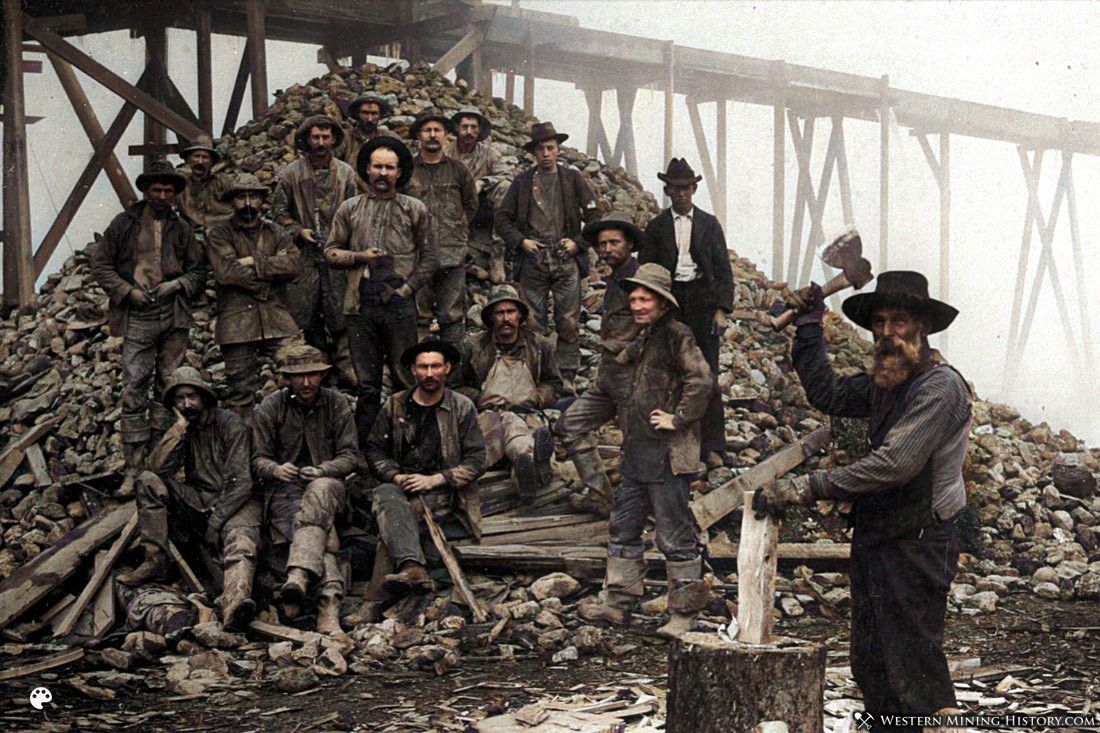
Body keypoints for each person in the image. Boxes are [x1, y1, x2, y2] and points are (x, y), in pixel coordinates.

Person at [755, 271, 971, 730]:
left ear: (922, 328)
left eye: (899, 321)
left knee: (914, 659)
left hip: (919, 538)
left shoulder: (940, 387)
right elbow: (828, 393)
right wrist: (810, 326)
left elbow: (895, 464)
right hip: (878, 533)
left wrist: (808, 486)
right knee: (872, 658)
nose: (888, 333)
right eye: (879, 322)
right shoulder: (886, 381)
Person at [556, 264, 713, 638]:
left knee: (674, 537)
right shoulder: (642, 338)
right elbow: (614, 382)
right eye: (634, 298)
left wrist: (678, 418)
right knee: (623, 528)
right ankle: (618, 604)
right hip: (638, 455)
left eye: (645, 298)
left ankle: (684, 614)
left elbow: (702, 379)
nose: (637, 304)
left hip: (669, 457)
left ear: (662, 303)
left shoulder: (677, 335)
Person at [88, 160, 206, 493]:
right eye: (157, 189)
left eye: (169, 190)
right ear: (145, 190)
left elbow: (199, 271)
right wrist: (128, 292)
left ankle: (162, 461)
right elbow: (101, 264)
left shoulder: (182, 228)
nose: (163, 195)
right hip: (138, 316)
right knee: (134, 386)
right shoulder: (124, 224)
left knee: (170, 387)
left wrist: (177, 284)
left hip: (173, 315)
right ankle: (133, 467)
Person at [117, 367, 261, 631]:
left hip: (236, 501)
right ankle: (155, 561)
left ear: (205, 396)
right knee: (147, 482)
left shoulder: (231, 424)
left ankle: (235, 605)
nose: (186, 404)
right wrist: (178, 429)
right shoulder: (186, 427)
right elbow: (156, 470)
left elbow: (241, 483)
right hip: (199, 498)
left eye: (192, 396)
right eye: (180, 399)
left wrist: (215, 523)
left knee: (239, 540)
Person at [324, 136, 439, 442]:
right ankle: (365, 448)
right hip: (360, 306)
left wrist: (408, 289)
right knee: (367, 384)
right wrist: (359, 257)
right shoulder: (350, 209)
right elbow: (331, 252)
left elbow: (430, 257)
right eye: (377, 167)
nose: (383, 174)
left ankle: (407, 442)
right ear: (367, 169)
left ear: (399, 172)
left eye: (390, 167)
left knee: (404, 378)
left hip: (399, 307)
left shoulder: (413, 208)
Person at [251, 345, 360, 638]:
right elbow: (257, 458)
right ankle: (329, 611)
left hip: (330, 488)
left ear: (322, 375)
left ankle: (298, 573)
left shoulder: (337, 404)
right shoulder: (271, 406)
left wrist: (323, 469)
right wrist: (275, 469)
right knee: (324, 540)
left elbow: (351, 456)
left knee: (321, 489)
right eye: (299, 377)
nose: (307, 383)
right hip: (286, 492)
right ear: (288, 378)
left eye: (312, 375)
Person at [363, 340, 485, 592]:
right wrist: (395, 476)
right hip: (402, 488)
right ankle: (413, 568)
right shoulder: (395, 404)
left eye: (436, 366)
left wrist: (434, 480)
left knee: (398, 521)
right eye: (423, 367)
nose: (429, 374)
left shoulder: (461, 407)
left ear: (447, 368)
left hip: (446, 493)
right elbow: (374, 450)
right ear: (412, 371)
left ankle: (376, 600)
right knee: (387, 494)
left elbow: (475, 461)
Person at [639, 158, 734, 469]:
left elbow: (723, 270)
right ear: (667, 190)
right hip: (670, 302)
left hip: (702, 302)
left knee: (706, 373)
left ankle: (713, 446)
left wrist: (721, 310)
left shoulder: (709, 224)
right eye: (674, 188)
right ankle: (670, 441)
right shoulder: (656, 227)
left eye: (685, 188)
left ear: (694, 189)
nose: (680, 193)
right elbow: (648, 273)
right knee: (668, 370)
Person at [495, 121, 599, 392]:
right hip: (534, 259)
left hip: (565, 258)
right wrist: (522, 241)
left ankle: (566, 375)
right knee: (532, 321)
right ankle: (537, 374)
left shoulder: (572, 178)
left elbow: (595, 215)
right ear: (533, 152)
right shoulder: (523, 181)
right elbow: (503, 219)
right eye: (540, 149)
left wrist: (579, 243)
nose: (546, 154)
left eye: (550, 148)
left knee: (568, 321)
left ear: (558, 149)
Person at [554, 212, 643, 515]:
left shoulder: (641, 281)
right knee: (570, 424)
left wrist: (626, 353)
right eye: (602, 244)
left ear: (630, 244)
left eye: (614, 242)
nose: (606, 249)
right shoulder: (614, 279)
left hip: (635, 379)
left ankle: (636, 511)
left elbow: (659, 329)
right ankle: (600, 496)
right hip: (608, 378)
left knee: (637, 446)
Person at [453, 285, 561, 505]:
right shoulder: (473, 346)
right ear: (491, 317)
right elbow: (454, 386)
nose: (505, 318)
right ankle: (529, 467)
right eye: (499, 313)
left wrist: (537, 398)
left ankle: (527, 468)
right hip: (488, 416)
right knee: (508, 429)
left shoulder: (540, 345)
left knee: (525, 427)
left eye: (510, 312)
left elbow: (554, 384)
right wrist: (480, 397)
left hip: (528, 412)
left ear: (520, 315)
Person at [205, 173, 302, 417]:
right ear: (231, 201)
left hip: (276, 318)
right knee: (240, 393)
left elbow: (294, 265)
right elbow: (227, 272)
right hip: (237, 323)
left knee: (301, 368)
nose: (248, 203)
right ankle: (241, 449)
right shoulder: (219, 234)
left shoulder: (277, 233)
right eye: (241, 197)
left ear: (262, 200)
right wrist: (268, 278)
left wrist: (253, 262)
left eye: (253, 196)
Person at [272, 115, 358, 386]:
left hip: (338, 257)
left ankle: (348, 372)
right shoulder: (289, 174)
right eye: (315, 137)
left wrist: (342, 238)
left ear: (333, 139)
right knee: (305, 314)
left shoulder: (345, 174)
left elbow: (358, 211)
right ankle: (313, 372)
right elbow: (278, 213)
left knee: (342, 313)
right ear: (307, 140)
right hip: (304, 258)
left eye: (326, 137)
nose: (321, 143)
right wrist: (299, 231)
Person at [405, 108, 477, 344]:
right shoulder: (407, 170)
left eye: (438, 130)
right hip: (417, 255)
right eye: (427, 130)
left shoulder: (459, 170)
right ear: (419, 136)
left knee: (452, 315)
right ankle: (418, 371)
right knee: (418, 314)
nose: (433, 135)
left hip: (452, 254)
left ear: (446, 135)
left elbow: (470, 205)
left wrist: (457, 232)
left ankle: (453, 375)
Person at [445, 106, 509, 284]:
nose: (469, 132)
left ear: (479, 130)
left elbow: (506, 175)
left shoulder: (489, 153)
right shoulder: (446, 152)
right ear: (457, 128)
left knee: (504, 187)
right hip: (452, 207)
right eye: (464, 127)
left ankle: (497, 257)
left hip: (481, 208)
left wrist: (483, 182)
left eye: (473, 127)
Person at [175, 134, 233, 241]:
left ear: (211, 162)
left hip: (220, 234)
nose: (200, 161)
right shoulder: (181, 185)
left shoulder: (223, 182)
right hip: (190, 236)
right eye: (196, 156)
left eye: (205, 157)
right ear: (188, 160)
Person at [341, 92, 399, 169]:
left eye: (374, 113)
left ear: (380, 115)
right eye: (365, 113)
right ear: (357, 114)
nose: (370, 119)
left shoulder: (390, 137)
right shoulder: (345, 137)